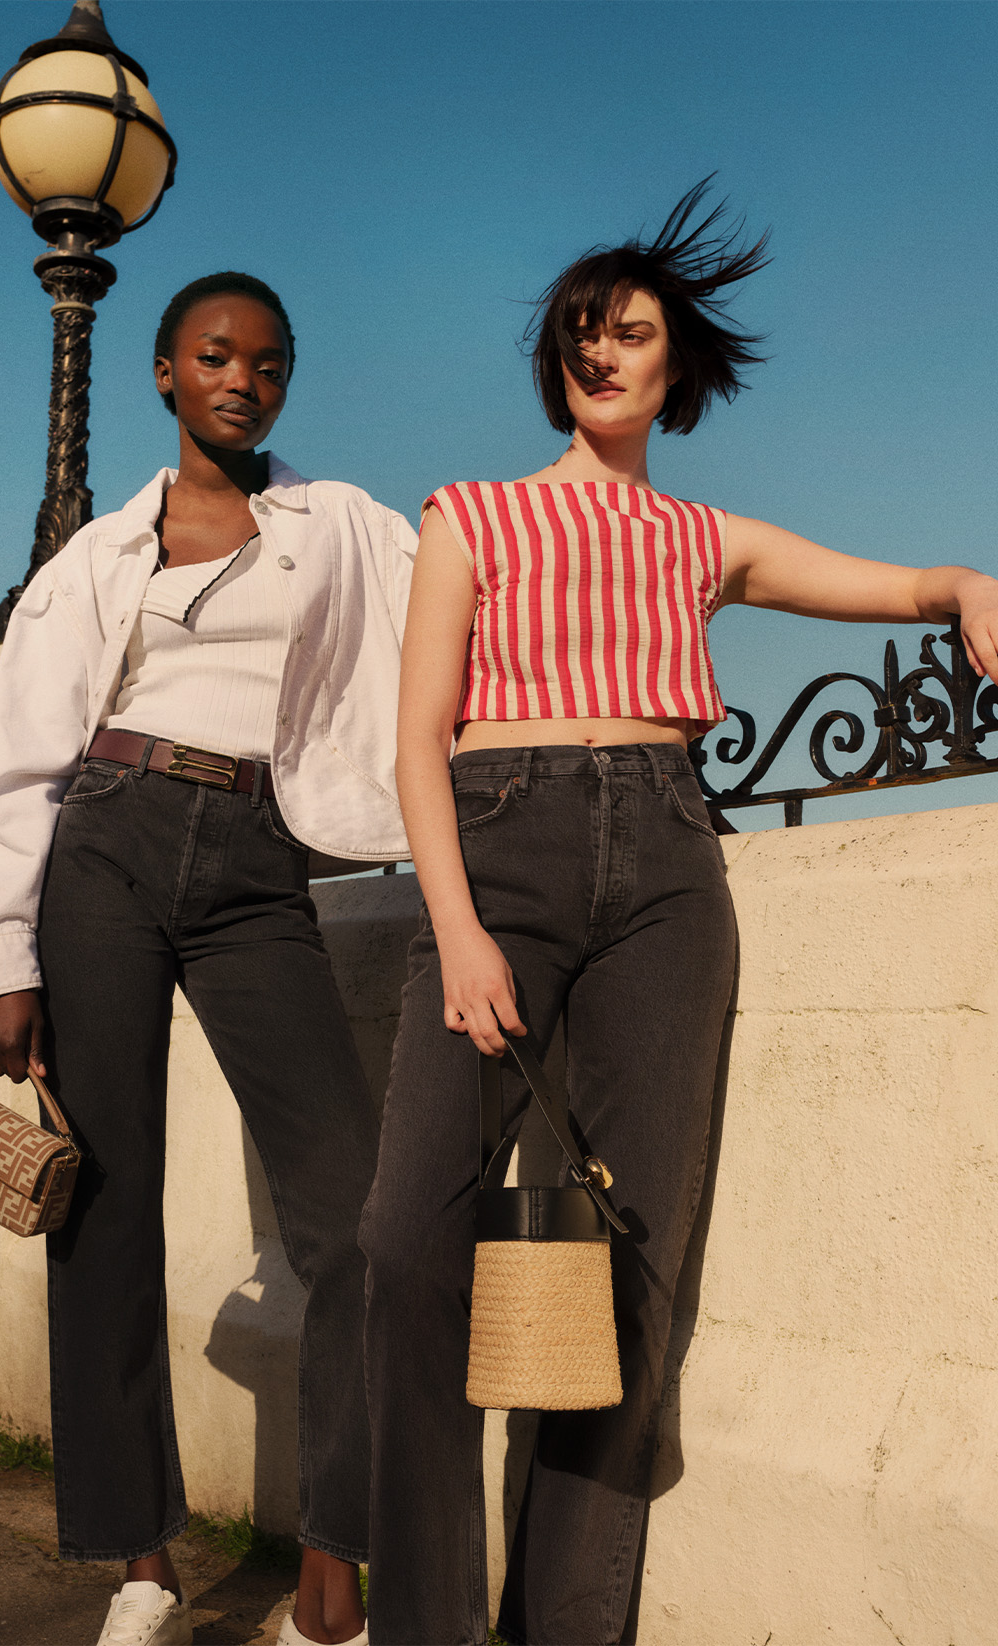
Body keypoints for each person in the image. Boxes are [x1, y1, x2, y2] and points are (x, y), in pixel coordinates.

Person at [358, 181, 998, 1646]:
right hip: (499, 852)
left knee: (635, 1263)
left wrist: (963, 578)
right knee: (407, 1242)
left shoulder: (703, 539)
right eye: (583, 328)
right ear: (557, 359)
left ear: (673, 365)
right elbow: (413, 739)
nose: (604, 350)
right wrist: (454, 928)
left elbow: (877, 580)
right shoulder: (471, 514)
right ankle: (430, 1624)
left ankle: (567, 1625)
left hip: (665, 867)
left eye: (633, 331)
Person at [0, 271, 416, 1646]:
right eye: (216, 355)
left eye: (269, 363)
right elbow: (15, 754)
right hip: (103, 840)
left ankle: (333, 1569)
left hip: (261, 860)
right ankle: (143, 1562)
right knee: (104, 1206)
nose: (243, 380)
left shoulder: (340, 527)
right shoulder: (98, 556)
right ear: (164, 370)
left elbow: (461, 603)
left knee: (352, 1216)